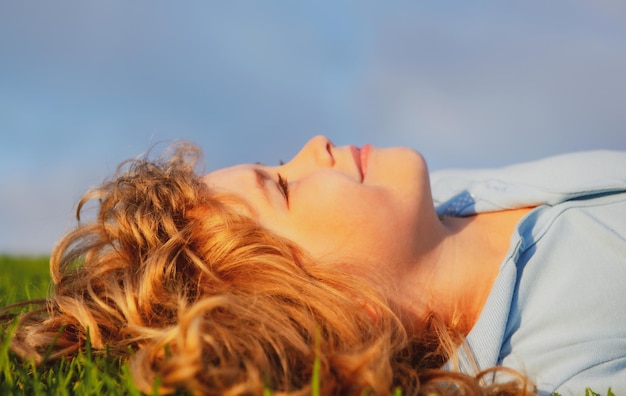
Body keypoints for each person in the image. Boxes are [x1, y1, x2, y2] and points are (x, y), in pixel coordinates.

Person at [3, 136, 625, 395]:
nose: (315, 146)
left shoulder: (448, 201)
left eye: (280, 162)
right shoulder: (553, 359)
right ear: (342, 305)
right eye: (287, 187)